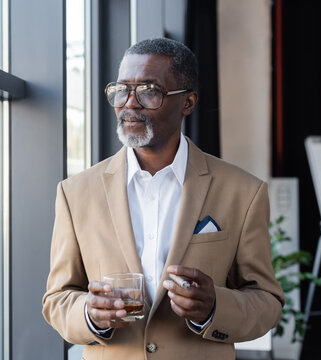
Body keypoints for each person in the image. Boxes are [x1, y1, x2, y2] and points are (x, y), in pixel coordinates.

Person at [42, 38, 284, 359]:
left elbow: (266, 301)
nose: (130, 103)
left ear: (187, 102)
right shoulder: (75, 193)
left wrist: (214, 308)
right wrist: (90, 314)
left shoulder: (244, 192)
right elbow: (57, 299)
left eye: (149, 90)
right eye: (121, 89)